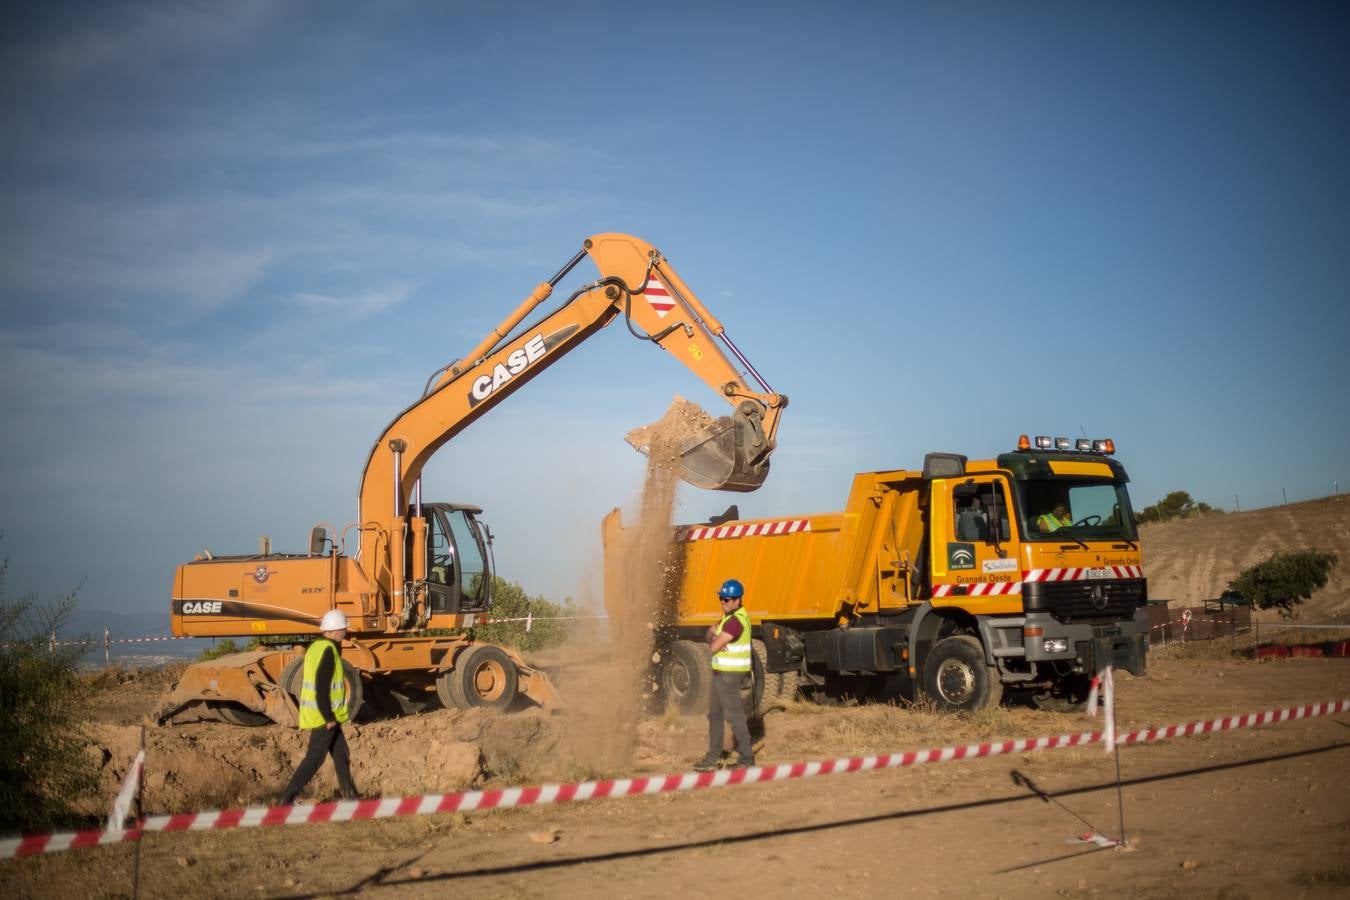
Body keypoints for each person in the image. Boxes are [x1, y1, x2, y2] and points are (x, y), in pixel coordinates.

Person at [280, 609, 360, 804]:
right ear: (333, 631)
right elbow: (321, 685)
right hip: (324, 717)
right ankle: (286, 800)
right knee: (314, 759)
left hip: (324, 714)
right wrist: (329, 718)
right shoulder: (329, 649)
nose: (345, 633)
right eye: (342, 629)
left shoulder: (315, 647)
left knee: (341, 755)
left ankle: (351, 798)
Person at [693, 578, 755, 772]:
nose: (723, 602)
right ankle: (714, 756)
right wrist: (715, 636)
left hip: (729, 676)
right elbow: (709, 633)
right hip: (721, 674)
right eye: (721, 598)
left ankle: (746, 760)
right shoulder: (728, 618)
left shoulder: (735, 622)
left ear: (738, 600)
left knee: (734, 717)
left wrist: (716, 639)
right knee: (715, 714)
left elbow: (713, 646)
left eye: (727, 599)